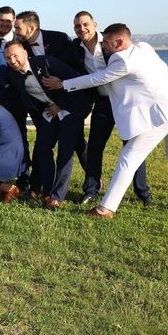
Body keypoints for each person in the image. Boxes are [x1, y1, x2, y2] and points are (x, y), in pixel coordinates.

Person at [43, 23, 168, 218]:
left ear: (120, 41)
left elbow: (97, 79)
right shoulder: (144, 48)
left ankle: (105, 208)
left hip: (161, 115)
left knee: (128, 158)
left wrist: (63, 84)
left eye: (106, 42)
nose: (103, 46)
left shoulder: (122, 61)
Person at [58, 12, 151, 205]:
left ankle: (143, 193)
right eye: (77, 26)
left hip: (125, 102)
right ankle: (91, 190)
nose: (81, 29)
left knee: (132, 148)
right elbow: (60, 61)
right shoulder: (75, 48)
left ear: (94, 24)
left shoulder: (111, 43)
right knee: (95, 147)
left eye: (85, 24)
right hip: (102, 102)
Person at [1, 41, 92, 208]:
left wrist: (61, 104)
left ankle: (58, 196)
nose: (12, 60)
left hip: (72, 105)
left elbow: (76, 80)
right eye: (7, 58)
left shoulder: (45, 62)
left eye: (15, 55)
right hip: (50, 111)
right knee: (42, 148)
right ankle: (48, 191)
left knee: (66, 149)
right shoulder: (13, 75)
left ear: (25, 53)